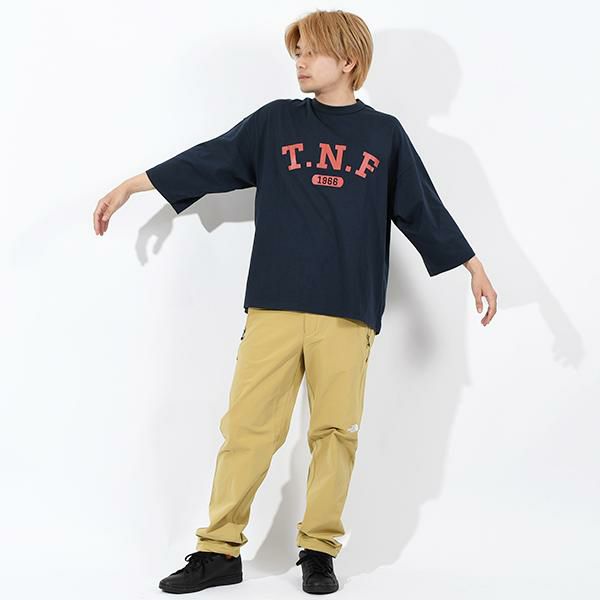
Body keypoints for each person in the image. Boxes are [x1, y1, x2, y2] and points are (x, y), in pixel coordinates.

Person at [93, 9, 497, 595]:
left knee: (335, 433)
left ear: (348, 60)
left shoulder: (384, 135)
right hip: (275, 303)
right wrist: (134, 185)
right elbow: (210, 158)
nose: (300, 63)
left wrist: (472, 265)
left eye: (311, 52)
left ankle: (319, 551)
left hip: (348, 309)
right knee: (247, 429)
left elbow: (422, 207)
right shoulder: (275, 123)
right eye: (297, 53)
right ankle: (218, 551)